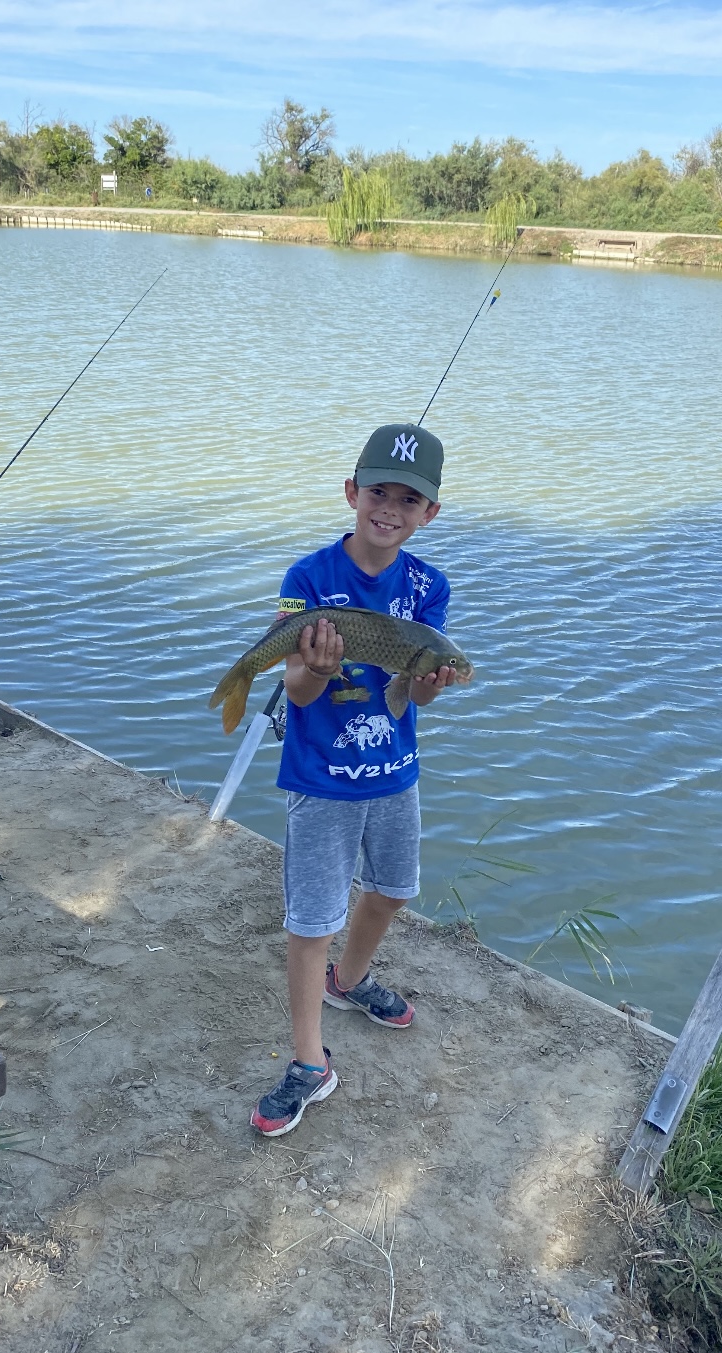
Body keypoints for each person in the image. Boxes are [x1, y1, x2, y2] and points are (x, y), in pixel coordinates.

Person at [251, 422, 471, 1136]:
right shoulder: (305, 580)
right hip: (319, 780)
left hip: (394, 777)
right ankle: (309, 1061)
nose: (390, 509)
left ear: (428, 514)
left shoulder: (428, 588)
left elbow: (417, 696)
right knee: (310, 918)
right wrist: (313, 666)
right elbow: (299, 691)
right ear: (352, 493)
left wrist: (433, 681)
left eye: (410, 500)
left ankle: (349, 979)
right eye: (379, 492)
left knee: (394, 888)